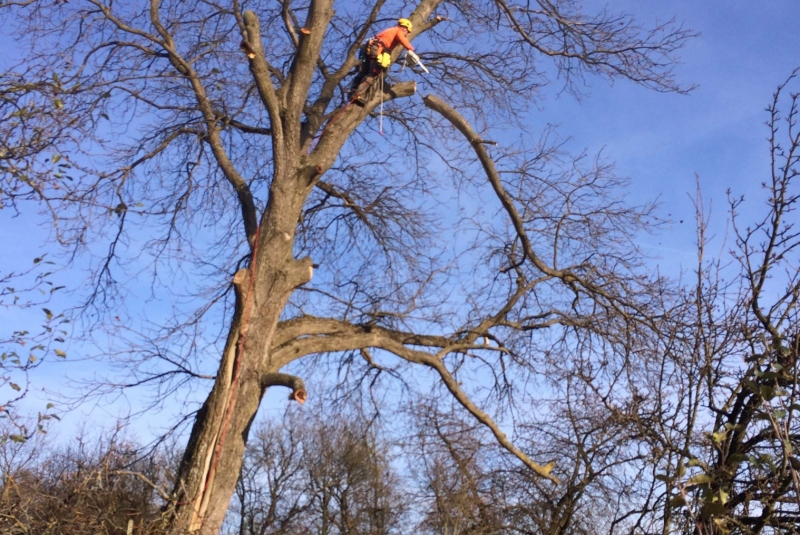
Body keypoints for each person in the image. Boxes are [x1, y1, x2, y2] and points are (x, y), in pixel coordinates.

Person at [349, 18, 415, 103]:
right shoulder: (398, 31)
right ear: (404, 28)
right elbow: (402, 39)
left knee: (364, 72)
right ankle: (359, 93)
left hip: (369, 49)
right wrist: (411, 49)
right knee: (373, 72)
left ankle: (353, 91)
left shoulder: (390, 31)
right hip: (376, 49)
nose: (407, 34)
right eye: (407, 32)